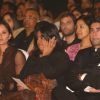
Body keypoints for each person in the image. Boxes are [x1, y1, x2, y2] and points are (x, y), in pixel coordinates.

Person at [19, 21, 78, 100]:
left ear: (53, 39)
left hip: (54, 96)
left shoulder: (62, 56)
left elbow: (49, 74)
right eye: (37, 38)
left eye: (42, 38)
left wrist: (45, 56)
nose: (39, 42)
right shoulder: (34, 55)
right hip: (32, 94)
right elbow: (22, 75)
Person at [67, 17, 100, 100]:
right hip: (80, 93)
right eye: (92, 30)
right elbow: (70, 78)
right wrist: (87, 88)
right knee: (58, 91)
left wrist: (82, 76)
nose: (94, 34)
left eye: (98, 30)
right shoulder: (82, 53)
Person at [0, 20, 26, 96]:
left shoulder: (16, 54)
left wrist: (3, 85)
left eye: (3, 33)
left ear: (10, 35)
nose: (0, 36)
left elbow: (20, 82)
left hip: (11, 95)